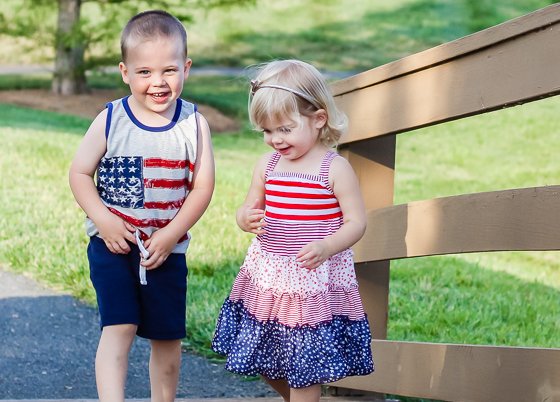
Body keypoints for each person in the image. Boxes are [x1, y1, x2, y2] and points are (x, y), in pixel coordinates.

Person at [68, 10, 214, 402]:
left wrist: (170, 235)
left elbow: (202, 188)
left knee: (167, 338)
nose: (158, 82)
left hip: (166, 250)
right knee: (120, 326)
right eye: (145, 72)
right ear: (125, 72)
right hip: (113, 246)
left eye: (169, 70)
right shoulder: (111, 119)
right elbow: (79, 173)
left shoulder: (193, 124)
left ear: (186, 68)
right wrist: (104, 221)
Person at [211, 59, 374, 402]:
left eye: (284, 129)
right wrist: (244, 218)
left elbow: (356, 222)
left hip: (311, 281)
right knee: (265, 359)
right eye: (267, 131)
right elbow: (248, 207)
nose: (275, 140)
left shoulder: (334, 169)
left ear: (319, 119)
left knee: (304, 363)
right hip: (270, 278)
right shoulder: (267, 165)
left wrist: (328, 246)